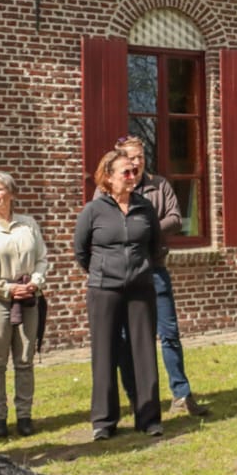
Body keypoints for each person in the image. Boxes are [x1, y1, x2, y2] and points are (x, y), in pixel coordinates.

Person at [117, 136, 209, 417]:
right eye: (131, 157)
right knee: (129, 338)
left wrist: (144, 228)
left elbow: (176, 218)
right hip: (125, 274)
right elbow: (101, 221)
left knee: (169, 334)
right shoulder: (112, 187)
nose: (137, 162)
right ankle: (138, 397)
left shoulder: (160, 185)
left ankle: (181, 395)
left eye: (141, 156)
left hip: (155, 269)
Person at [75, 149, 163, 439]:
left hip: (140, 288)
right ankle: (104, 421)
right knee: (104, 353)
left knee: (144, 352)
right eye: (125, 171)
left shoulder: (145, 207)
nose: (132, 175)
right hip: (104, 289)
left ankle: (149, 418)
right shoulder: (93, 210)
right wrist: (104, 272)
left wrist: (141, 269)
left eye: (134, 171)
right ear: (108, 177)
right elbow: (81, 251)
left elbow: (156, 246)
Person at [0, 172, 50, 438]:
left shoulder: (28, 224)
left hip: (29, 300)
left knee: (24, 360)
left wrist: (35, 282)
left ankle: (24, 415)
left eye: (0, 189)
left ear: (11, 193)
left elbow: (42, 258)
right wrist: (7, 288)